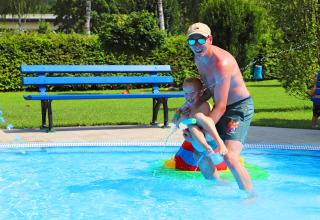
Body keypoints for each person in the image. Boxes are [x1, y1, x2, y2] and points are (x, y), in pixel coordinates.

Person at [182, 22, 254, 191]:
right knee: (199, 153)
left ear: (210, 39)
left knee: (230, 156)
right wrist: (190, 110)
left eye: (201, 40)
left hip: (238, 108)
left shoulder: (222, 64)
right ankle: (216, 186)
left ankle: (250, 196)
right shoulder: (198, 58)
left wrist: (203, 128)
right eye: (192, 41)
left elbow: (221, 106)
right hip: (220, 108)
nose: (197, 45)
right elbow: (209, 91)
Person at [172, 77, 228, 179]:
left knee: (198, 117)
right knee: (192, 126)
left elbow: (205, 125)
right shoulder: (187, 106)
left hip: (209, 137)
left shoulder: (204, 105)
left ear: (201, 93)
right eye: (186, 93)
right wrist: (178, 116)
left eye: (193, 93)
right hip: (199, 143)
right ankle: (206, 147)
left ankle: (219, 141)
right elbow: (177, 113)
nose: (189, 96)